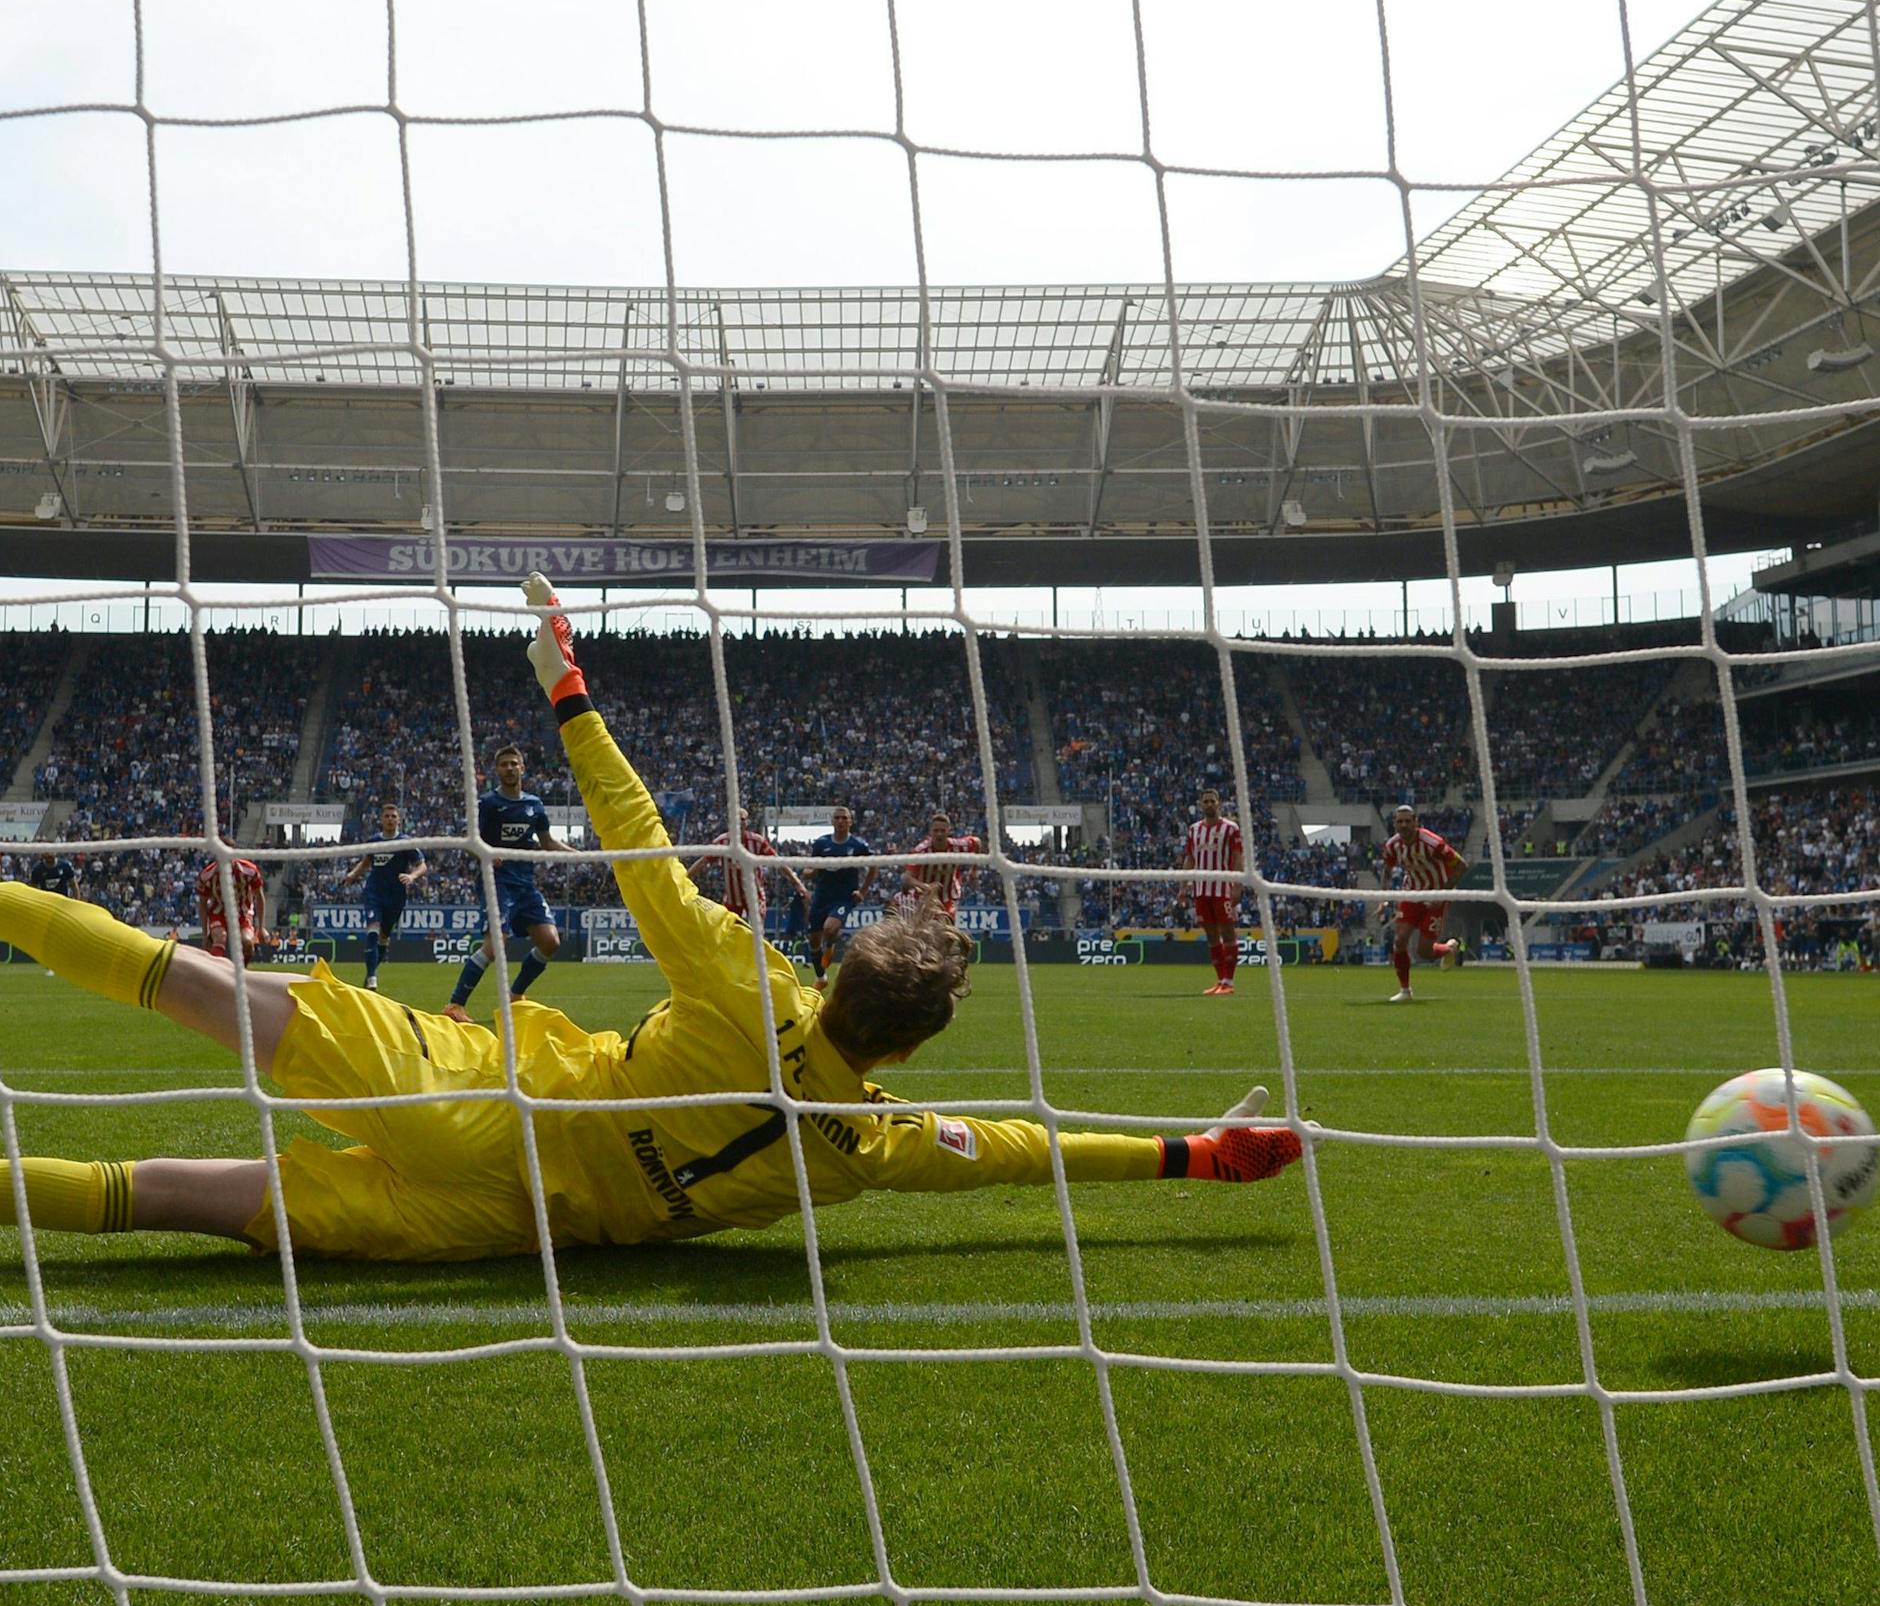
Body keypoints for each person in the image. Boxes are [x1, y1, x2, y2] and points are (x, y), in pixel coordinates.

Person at [0, 577, 1302, 1261]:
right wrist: (1191, 1154)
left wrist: (572, 694)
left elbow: (640, 855)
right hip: (519, 1229)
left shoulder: (751, 982)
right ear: (904, 1050)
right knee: (177, 1199)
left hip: (503, 1097)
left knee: (201, 986)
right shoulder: (875, 1142)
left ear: (843, 967)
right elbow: (1023, 1151)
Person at [444, 745, 578, 1022]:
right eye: (504, 764)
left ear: (522, 768)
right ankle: (455, 1005)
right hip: (497, 883)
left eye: (513, 764)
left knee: (550, 941)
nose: (509, 768)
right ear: (497, 770)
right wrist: (485, 853)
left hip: (525, 886)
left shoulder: (534, 805)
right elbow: (468, 842)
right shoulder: (488, 804)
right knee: (497, 943)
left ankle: (516, 994)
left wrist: (581, 856)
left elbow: (549, 843)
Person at [1378, 803, 1465, 1003]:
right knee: (1399, 941)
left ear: (1416, 822)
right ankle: (1405, 990)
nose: (1404, 825)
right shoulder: (1393, 846)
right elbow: (1387, 871)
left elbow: (1461, 865)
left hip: (1436, 894)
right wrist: (1382, 898)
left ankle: (1449, 948)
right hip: (1411, 894)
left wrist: (1441, 894)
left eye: (1408, 821)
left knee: (1424, 951)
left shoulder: (1432, 842)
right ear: (1394, 824)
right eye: (1400, 822)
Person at [340, 801, 427, 993]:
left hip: (396, 896)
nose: (390, 819)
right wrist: (353, 875)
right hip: (374, 892)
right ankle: (372, 977)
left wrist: (412, 876)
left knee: (384, 938)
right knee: (373, 930)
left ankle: (370, 973)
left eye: (393, 816)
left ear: (399, 820)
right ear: (381, 819)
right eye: (386, 816)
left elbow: (423, 865)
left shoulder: (406, 842)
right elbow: (366, 862)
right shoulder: (374, 842)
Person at [685, 808, 811, 935]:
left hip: (755, 896)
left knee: (757, 932)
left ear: (747, 822)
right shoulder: (721, 842)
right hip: (732, 899)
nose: (739, 823)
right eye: (735, 820)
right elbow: (703, 861)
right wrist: (685, 878)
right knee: (729, 933)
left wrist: (797, 883)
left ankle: (757, 951)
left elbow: (778, 862)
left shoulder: (757, 841)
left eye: (742, 819)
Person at [1184, 789, 1244, 996]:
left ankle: (1229, 981)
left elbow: (1237, 857)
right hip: (1201, 889)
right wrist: (1183, 885)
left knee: (1227, 932)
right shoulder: (1194, 830)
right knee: (1211, 935)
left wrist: (1237, 885)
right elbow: (1190, 858)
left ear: (1219, 804)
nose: (1209, 804)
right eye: (1205, 801)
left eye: (1212, 801)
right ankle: (1220, 980)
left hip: (1222, 889)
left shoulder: (1231, 828)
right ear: (1201, 805)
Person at [807, 804, 872, 990]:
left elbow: (874, 866)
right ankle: (821, 978)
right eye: (837, 818)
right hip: (822, 895)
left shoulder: (858, 845)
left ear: (851, 821)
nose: (841, 821)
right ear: (832, 821)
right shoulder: (821, 843)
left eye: (844, 818)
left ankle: (831, 945)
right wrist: (809, 873)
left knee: (830, 928)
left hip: (844, 897)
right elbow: (812, 868)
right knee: (813, 940)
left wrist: (863, 891)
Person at [898, 811, 982, 921]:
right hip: (924, 898)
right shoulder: (921, 851)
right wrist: (925, 886)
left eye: (942, 831)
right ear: (930, 832)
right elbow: (907, 878)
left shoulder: (957, 846)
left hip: (948, 897)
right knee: (924, 931)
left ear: (948, 831)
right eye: (936, 830)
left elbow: (977, 842)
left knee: (946, 930)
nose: (939, 834)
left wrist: (974, 870)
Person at [196, 855, 266, 964]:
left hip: (243, 912)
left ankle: (241, 973)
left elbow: (259, 896)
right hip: (218, 912)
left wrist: (261, 927)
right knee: (220, 937)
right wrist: (205, 934)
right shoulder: (207, 875)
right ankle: (217, 974)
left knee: (246, 942)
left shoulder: (249, 870)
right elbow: (202, 903)